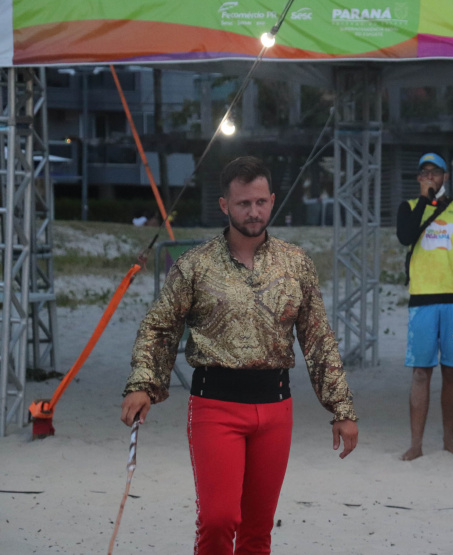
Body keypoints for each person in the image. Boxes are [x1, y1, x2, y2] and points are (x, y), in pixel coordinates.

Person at [120, 156, 358, 554]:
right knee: (218, 521)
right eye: (244, 203)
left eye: (261, 202)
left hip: (276, 408)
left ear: (272, 201)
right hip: (215, 405)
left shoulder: (295, 263)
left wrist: (342, 409)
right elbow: (159, 327)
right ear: (224, 205)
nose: (254, 211)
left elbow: (318, 339)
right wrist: (144, 383)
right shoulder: (195, 265)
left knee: (257, 531)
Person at [396, 152, 453, 461]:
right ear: (418, 178)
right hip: (422, 300)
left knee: (451, 371)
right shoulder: (408, 208)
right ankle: (416, 444)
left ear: (446, 176)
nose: (430, 176)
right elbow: (405, 237)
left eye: (435, 172)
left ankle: (448, 439)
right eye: (424, 173)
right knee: (421, 372)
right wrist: (423, 201)